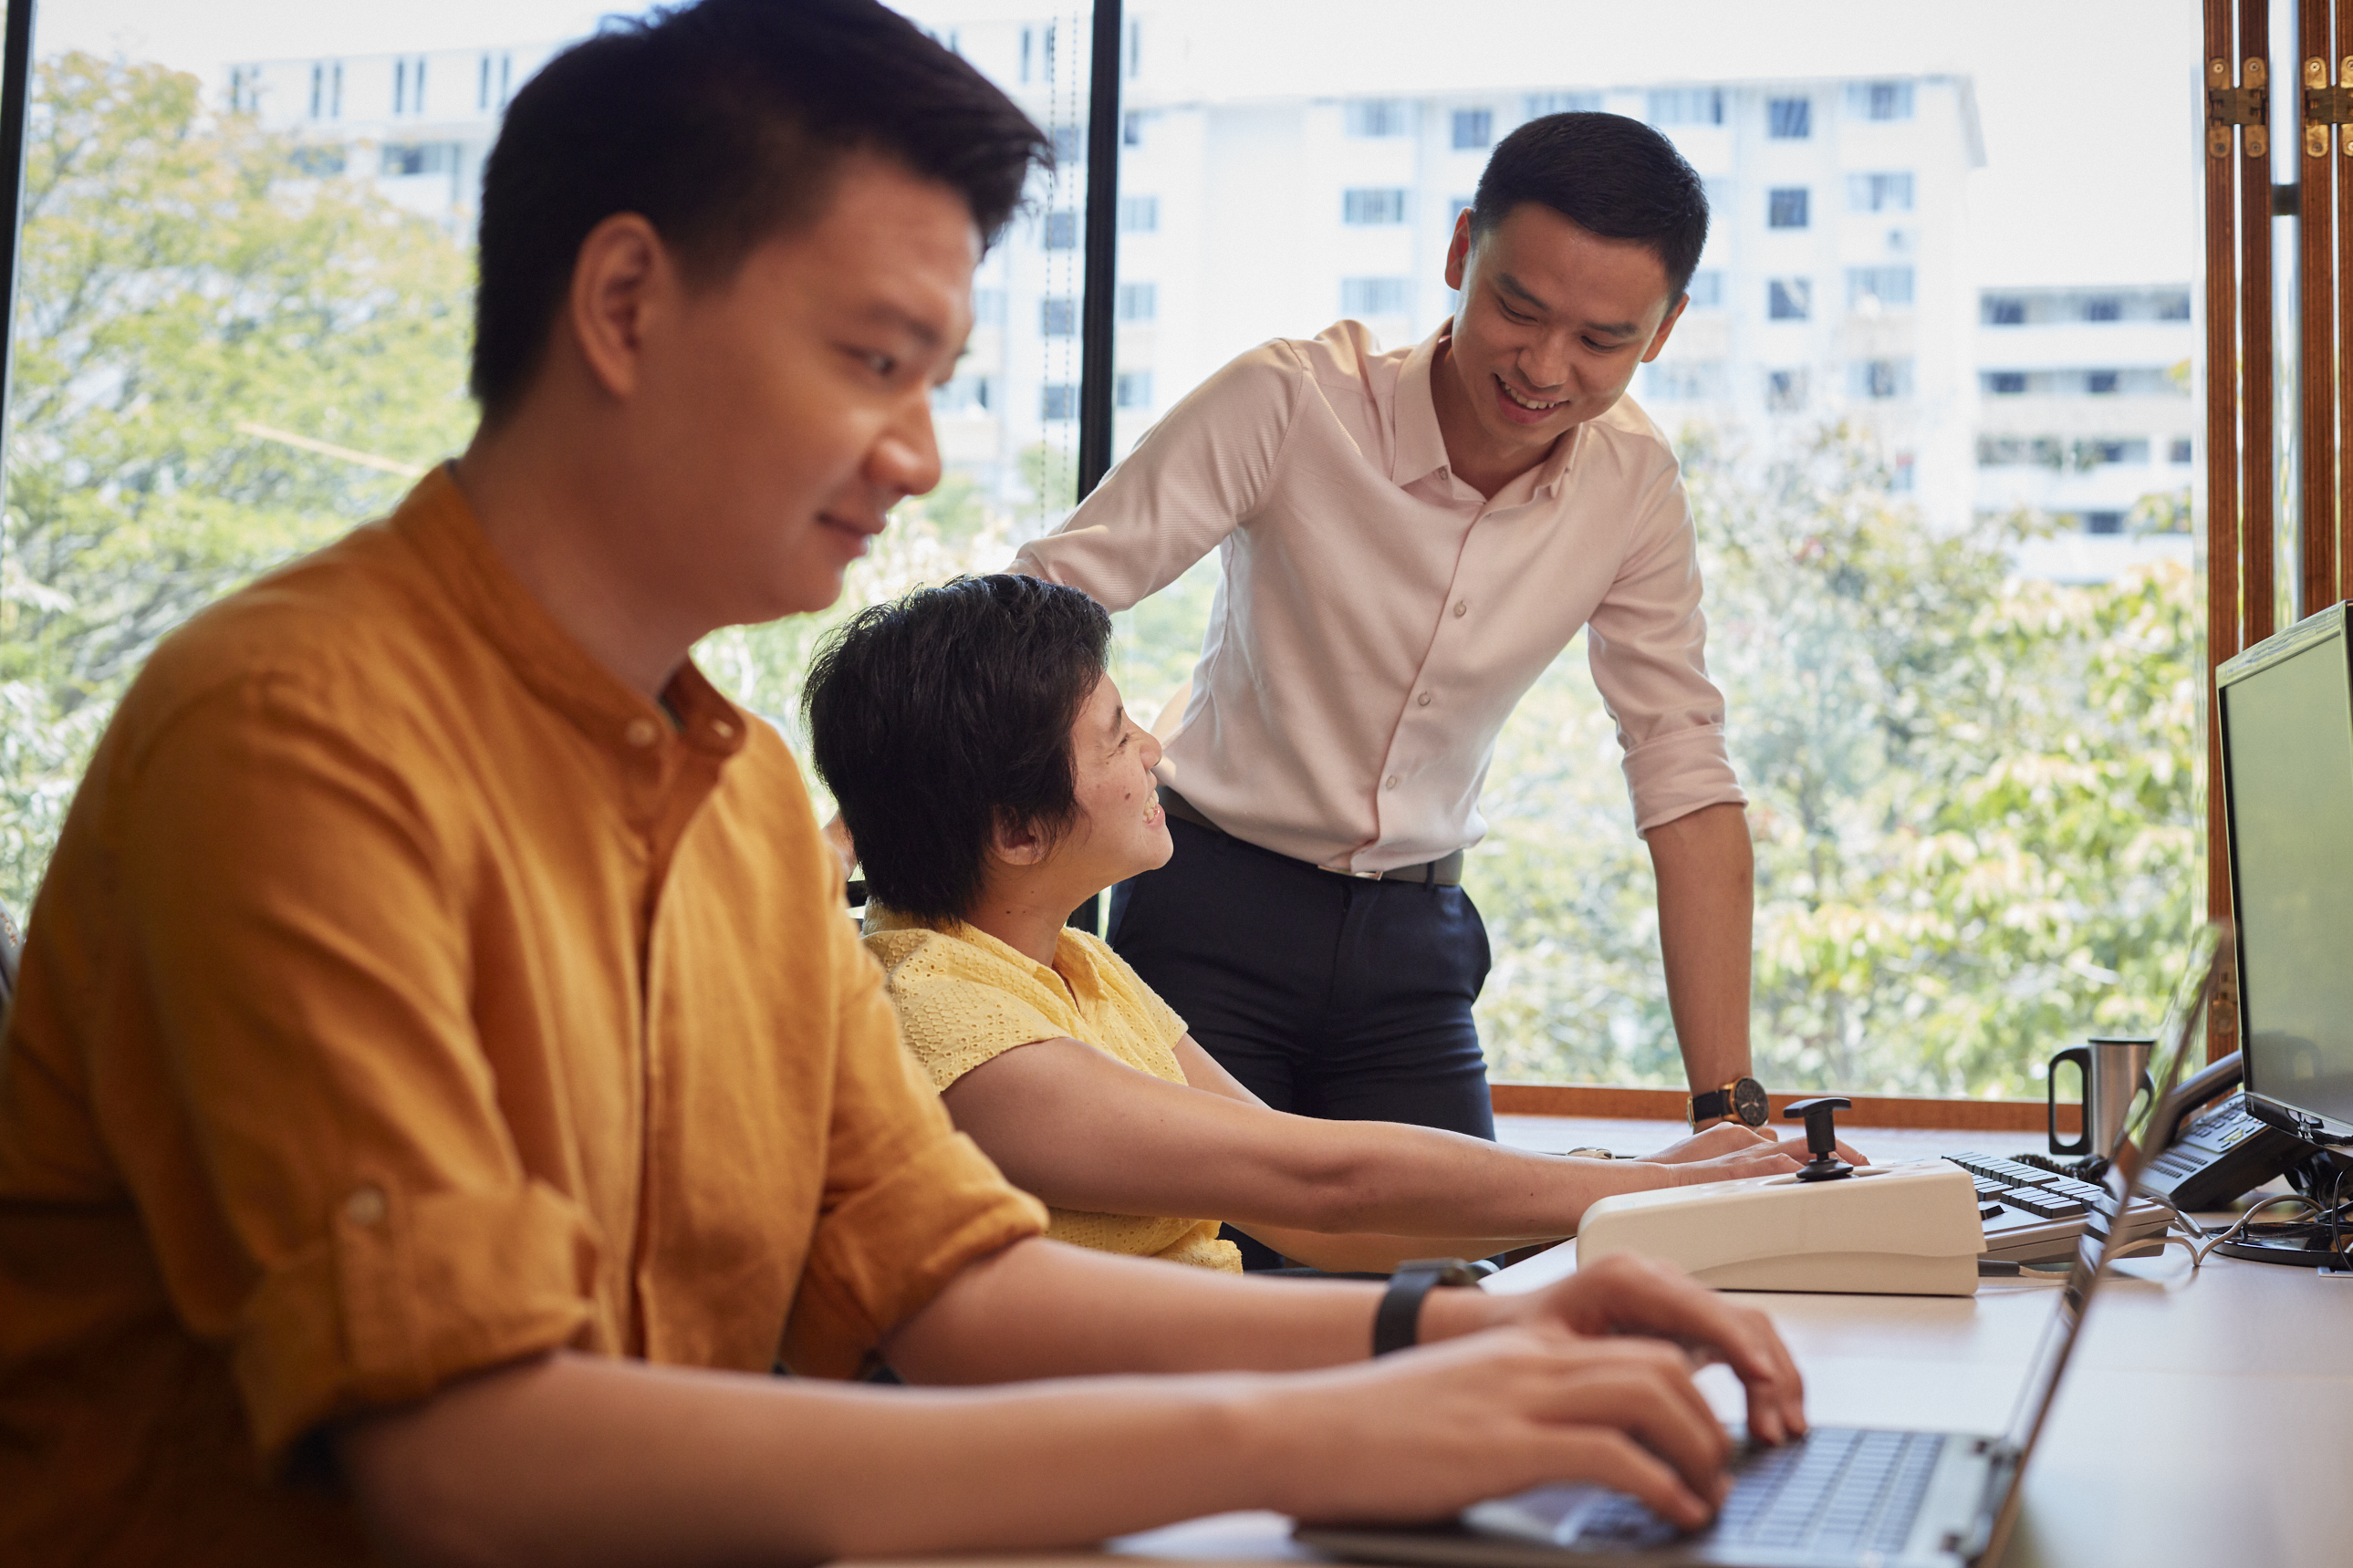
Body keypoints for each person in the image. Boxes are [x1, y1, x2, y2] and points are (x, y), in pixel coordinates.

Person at [0, 5, 1812, 1563]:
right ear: (624, 302)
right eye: (872, 362)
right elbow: (468, 1464)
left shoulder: (728, 811)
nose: (918, 453)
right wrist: (1313, 1423)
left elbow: (953, 1291)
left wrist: (1442, 1337)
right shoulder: (299, 734)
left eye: (934, 375)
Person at [1004, 114, 1773, 1267]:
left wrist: (1727, 1119)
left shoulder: (1633, 486)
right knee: (1202, 1288)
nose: (1544, 367)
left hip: (1414, 950)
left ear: (1661, 333)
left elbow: (1681, 770)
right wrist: (873, 834)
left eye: (1601, 339)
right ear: (1461, 251)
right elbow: (1042, 599)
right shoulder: (1291, 401)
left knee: (1457, 1288)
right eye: (1517, 307)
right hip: (1211, 913)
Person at [808, 574, 1851, 1274]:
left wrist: (1652, 1187)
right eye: (1117, 739)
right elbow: (1320, 1180)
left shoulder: (1070, 958)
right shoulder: (944, 1021)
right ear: (1017, 832)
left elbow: (1299, 1198)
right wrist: (1664, 1190)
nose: (1154, 759)